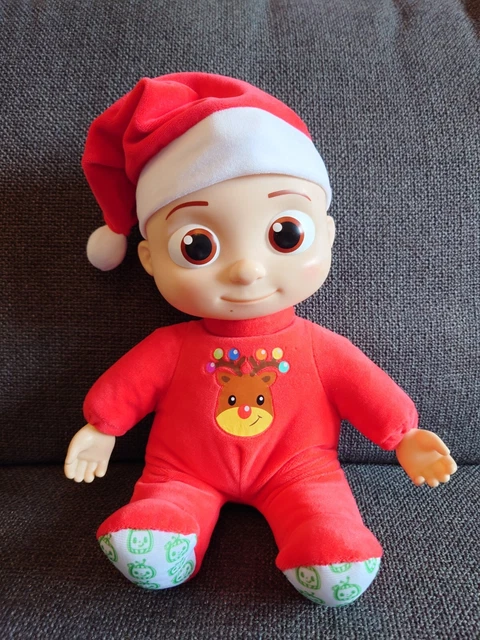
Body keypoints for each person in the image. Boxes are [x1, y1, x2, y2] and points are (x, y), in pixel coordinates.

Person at [65, 73, 457, 606]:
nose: (247, 269)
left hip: (300, 468)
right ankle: (165, 527)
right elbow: (130, 385)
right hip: (183, 469)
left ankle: (327, 546)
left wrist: (403, 435)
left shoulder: (320, 348)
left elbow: (362, 386)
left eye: (285, 235)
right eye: (198, 246)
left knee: (322, 510)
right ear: (151, 259)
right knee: (166, 504)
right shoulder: (170, 346)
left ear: (327, 235)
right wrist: (102, 426)